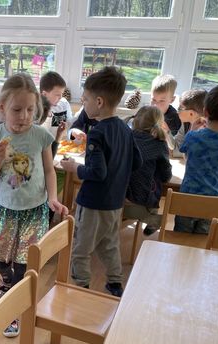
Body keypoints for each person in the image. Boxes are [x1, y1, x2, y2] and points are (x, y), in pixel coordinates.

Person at [0, 73, 68, 336]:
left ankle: (14, 311)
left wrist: (53, 198)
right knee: (0, 260)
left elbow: (49, 171)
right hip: (5, 210)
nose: (24, 116)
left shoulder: (41, 135)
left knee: (23, 264)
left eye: (30, 110)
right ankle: (5, 280)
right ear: (2, 108)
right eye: (17, 110)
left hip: (34, 210)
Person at [60, 67, 143, 297]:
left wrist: (74, 168)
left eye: (85, 99)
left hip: (93, 202)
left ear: (98, 102)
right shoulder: (125, 129)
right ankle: (115, 284)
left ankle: (81, 288)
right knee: (109, 244)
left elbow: (97, 173)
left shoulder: (97, 132)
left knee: (81, 248)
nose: (83, 103)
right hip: (115, 202)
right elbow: (137, 162)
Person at [175, 83, 218, 234]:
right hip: (215, 201)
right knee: (203, 240)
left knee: (181, 237)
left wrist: (192, 130)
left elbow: (186, 156)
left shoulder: (192, 136)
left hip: (188, 198)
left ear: (205, 111)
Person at [123, 106, 173, 236]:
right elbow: (166, 176)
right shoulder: (159, 144)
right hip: (138, 203)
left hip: (115, 198)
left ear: (135, 121)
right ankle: (152, 219)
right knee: (155, 179)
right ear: (159, 124)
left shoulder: (124, 138)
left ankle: (148, 217)